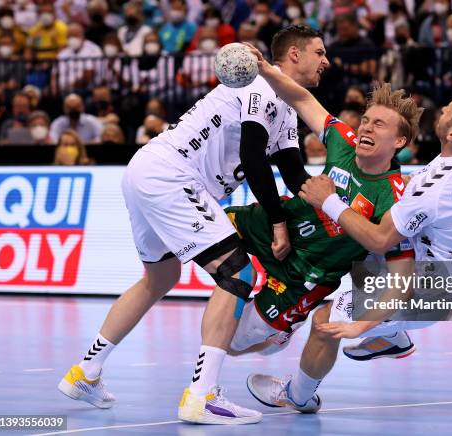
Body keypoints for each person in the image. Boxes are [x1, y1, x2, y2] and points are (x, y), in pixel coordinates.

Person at [57, 26, 329, 425]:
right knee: (237, 273)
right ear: (292, 54)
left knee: (160, 276)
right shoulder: (262, 85)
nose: (326, 61)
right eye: (319, 52)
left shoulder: (286, 108)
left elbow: (291, 171)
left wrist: (331, 205)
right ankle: (203, 396)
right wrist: (277, 223)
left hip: (146, 171)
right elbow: (253, 157)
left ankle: (85, 372)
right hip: (173, 176)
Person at [247, 89, 452, 412]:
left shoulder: (432, 193)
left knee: (326, 323)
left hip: (426, 293)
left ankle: (298, 396)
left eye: (450, 109)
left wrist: (328, 200)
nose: (444, 107)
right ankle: (394, 336)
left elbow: (380, 240)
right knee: (356, 234)